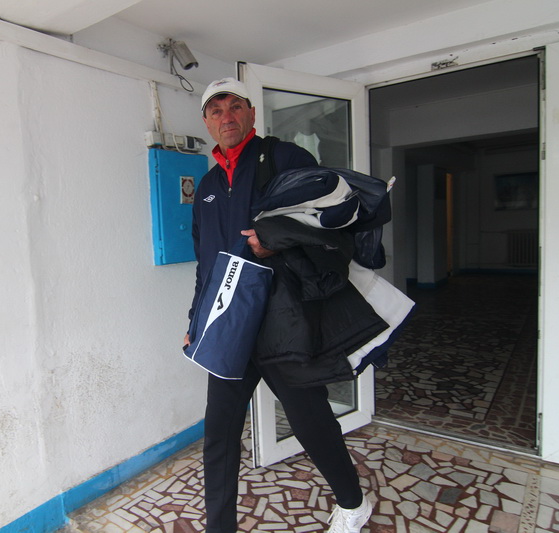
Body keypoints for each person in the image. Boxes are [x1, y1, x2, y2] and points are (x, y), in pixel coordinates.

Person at [184, 77, 374, 533]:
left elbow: (328, 223)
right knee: (220, 432)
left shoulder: (284, 158)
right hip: (228, 323)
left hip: (281, 318)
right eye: (216, 110)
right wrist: (197, 319)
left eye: (235, 106)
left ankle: (353, 503)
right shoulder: (207, 186)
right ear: (206, 122)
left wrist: (275, 241)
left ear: (251, 113)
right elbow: (206, 263)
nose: (226, 117)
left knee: (310, 419)